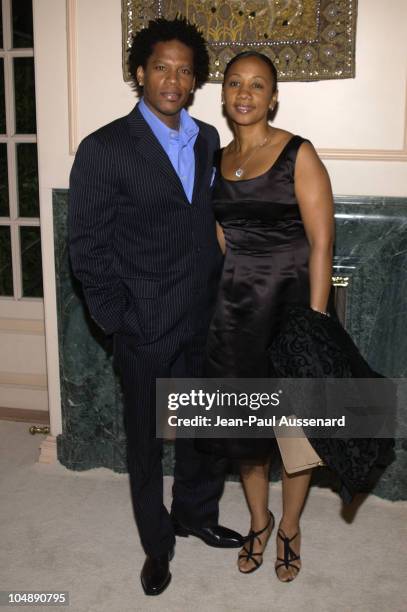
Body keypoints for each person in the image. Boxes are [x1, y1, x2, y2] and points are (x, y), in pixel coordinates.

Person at [68, 17, 243, 597]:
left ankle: (193, 512)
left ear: (195, 82)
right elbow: (87, 247)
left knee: (202, 424)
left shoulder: (207, 140)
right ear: (140, 73)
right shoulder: (104, 148)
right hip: (143, 322)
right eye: (161, 67)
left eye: (185, 70)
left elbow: (202, 219)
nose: (173, 79)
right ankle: (157, 544)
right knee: (145, 439)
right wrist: (119, 321)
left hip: (204, 313)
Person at [205, 51, 335, 582]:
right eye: (235, 83)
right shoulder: (217, 160)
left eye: (257, 85)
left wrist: (315, 323)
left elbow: (323, 242)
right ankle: (259, 521)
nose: (245, 93)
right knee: (247, 427)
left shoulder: (298, 153)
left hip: (291, 307)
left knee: (294, 430)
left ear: (273, 96)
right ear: (224, 94)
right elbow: (219, 238)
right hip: (237, 310)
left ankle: (290, 527)